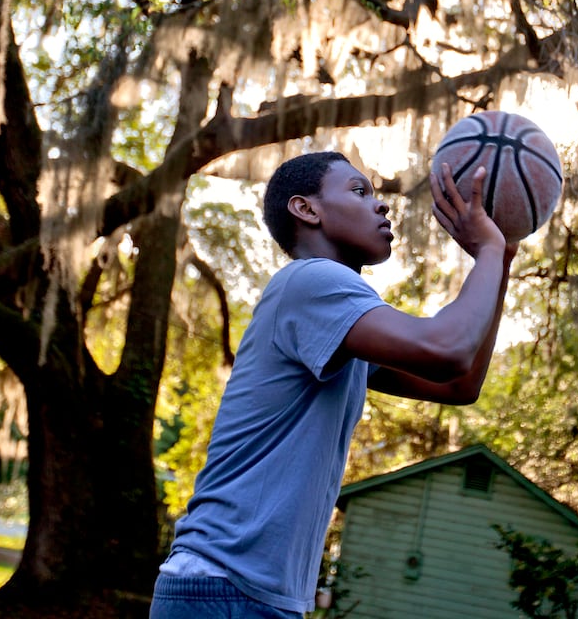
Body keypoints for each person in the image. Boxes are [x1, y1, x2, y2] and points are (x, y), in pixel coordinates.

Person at [150, 150, 515, 619]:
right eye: (359, 192)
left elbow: (459, 384)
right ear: (306, 209)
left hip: (248, 594)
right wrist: (487, 251)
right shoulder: (312, 282)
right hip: (223, 588)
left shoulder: (340, 322)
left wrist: (500, 260)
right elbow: (447, 350)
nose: (381, 206)